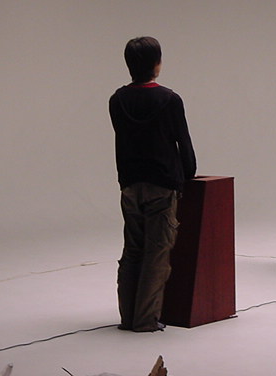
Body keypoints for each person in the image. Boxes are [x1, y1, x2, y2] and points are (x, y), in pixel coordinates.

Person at [109, 36, 196, 332]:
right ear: (157, 63)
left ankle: (127, 317)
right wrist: (188, 174)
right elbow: (183, 143)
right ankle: (145, 319)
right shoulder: (170, 99)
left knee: (132, 251)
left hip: (130, 184)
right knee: (157, 254)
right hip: (162, 184)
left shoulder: (117, 100)